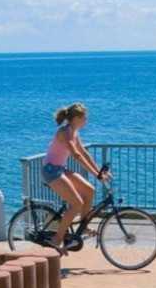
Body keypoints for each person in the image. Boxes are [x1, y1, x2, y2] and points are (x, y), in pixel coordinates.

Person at [42, 102, 109, 251]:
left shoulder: (74, 131)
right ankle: (57, 239)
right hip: (51, 171)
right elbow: (76, 155)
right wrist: (96, 174)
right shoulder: (64, 132)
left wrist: (99, 172)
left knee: (89, 190)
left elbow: (84, 153)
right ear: (76, 118)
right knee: (76, 204)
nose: (86, 120)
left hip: (60, 169)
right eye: (84, 118)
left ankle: (83, 227)